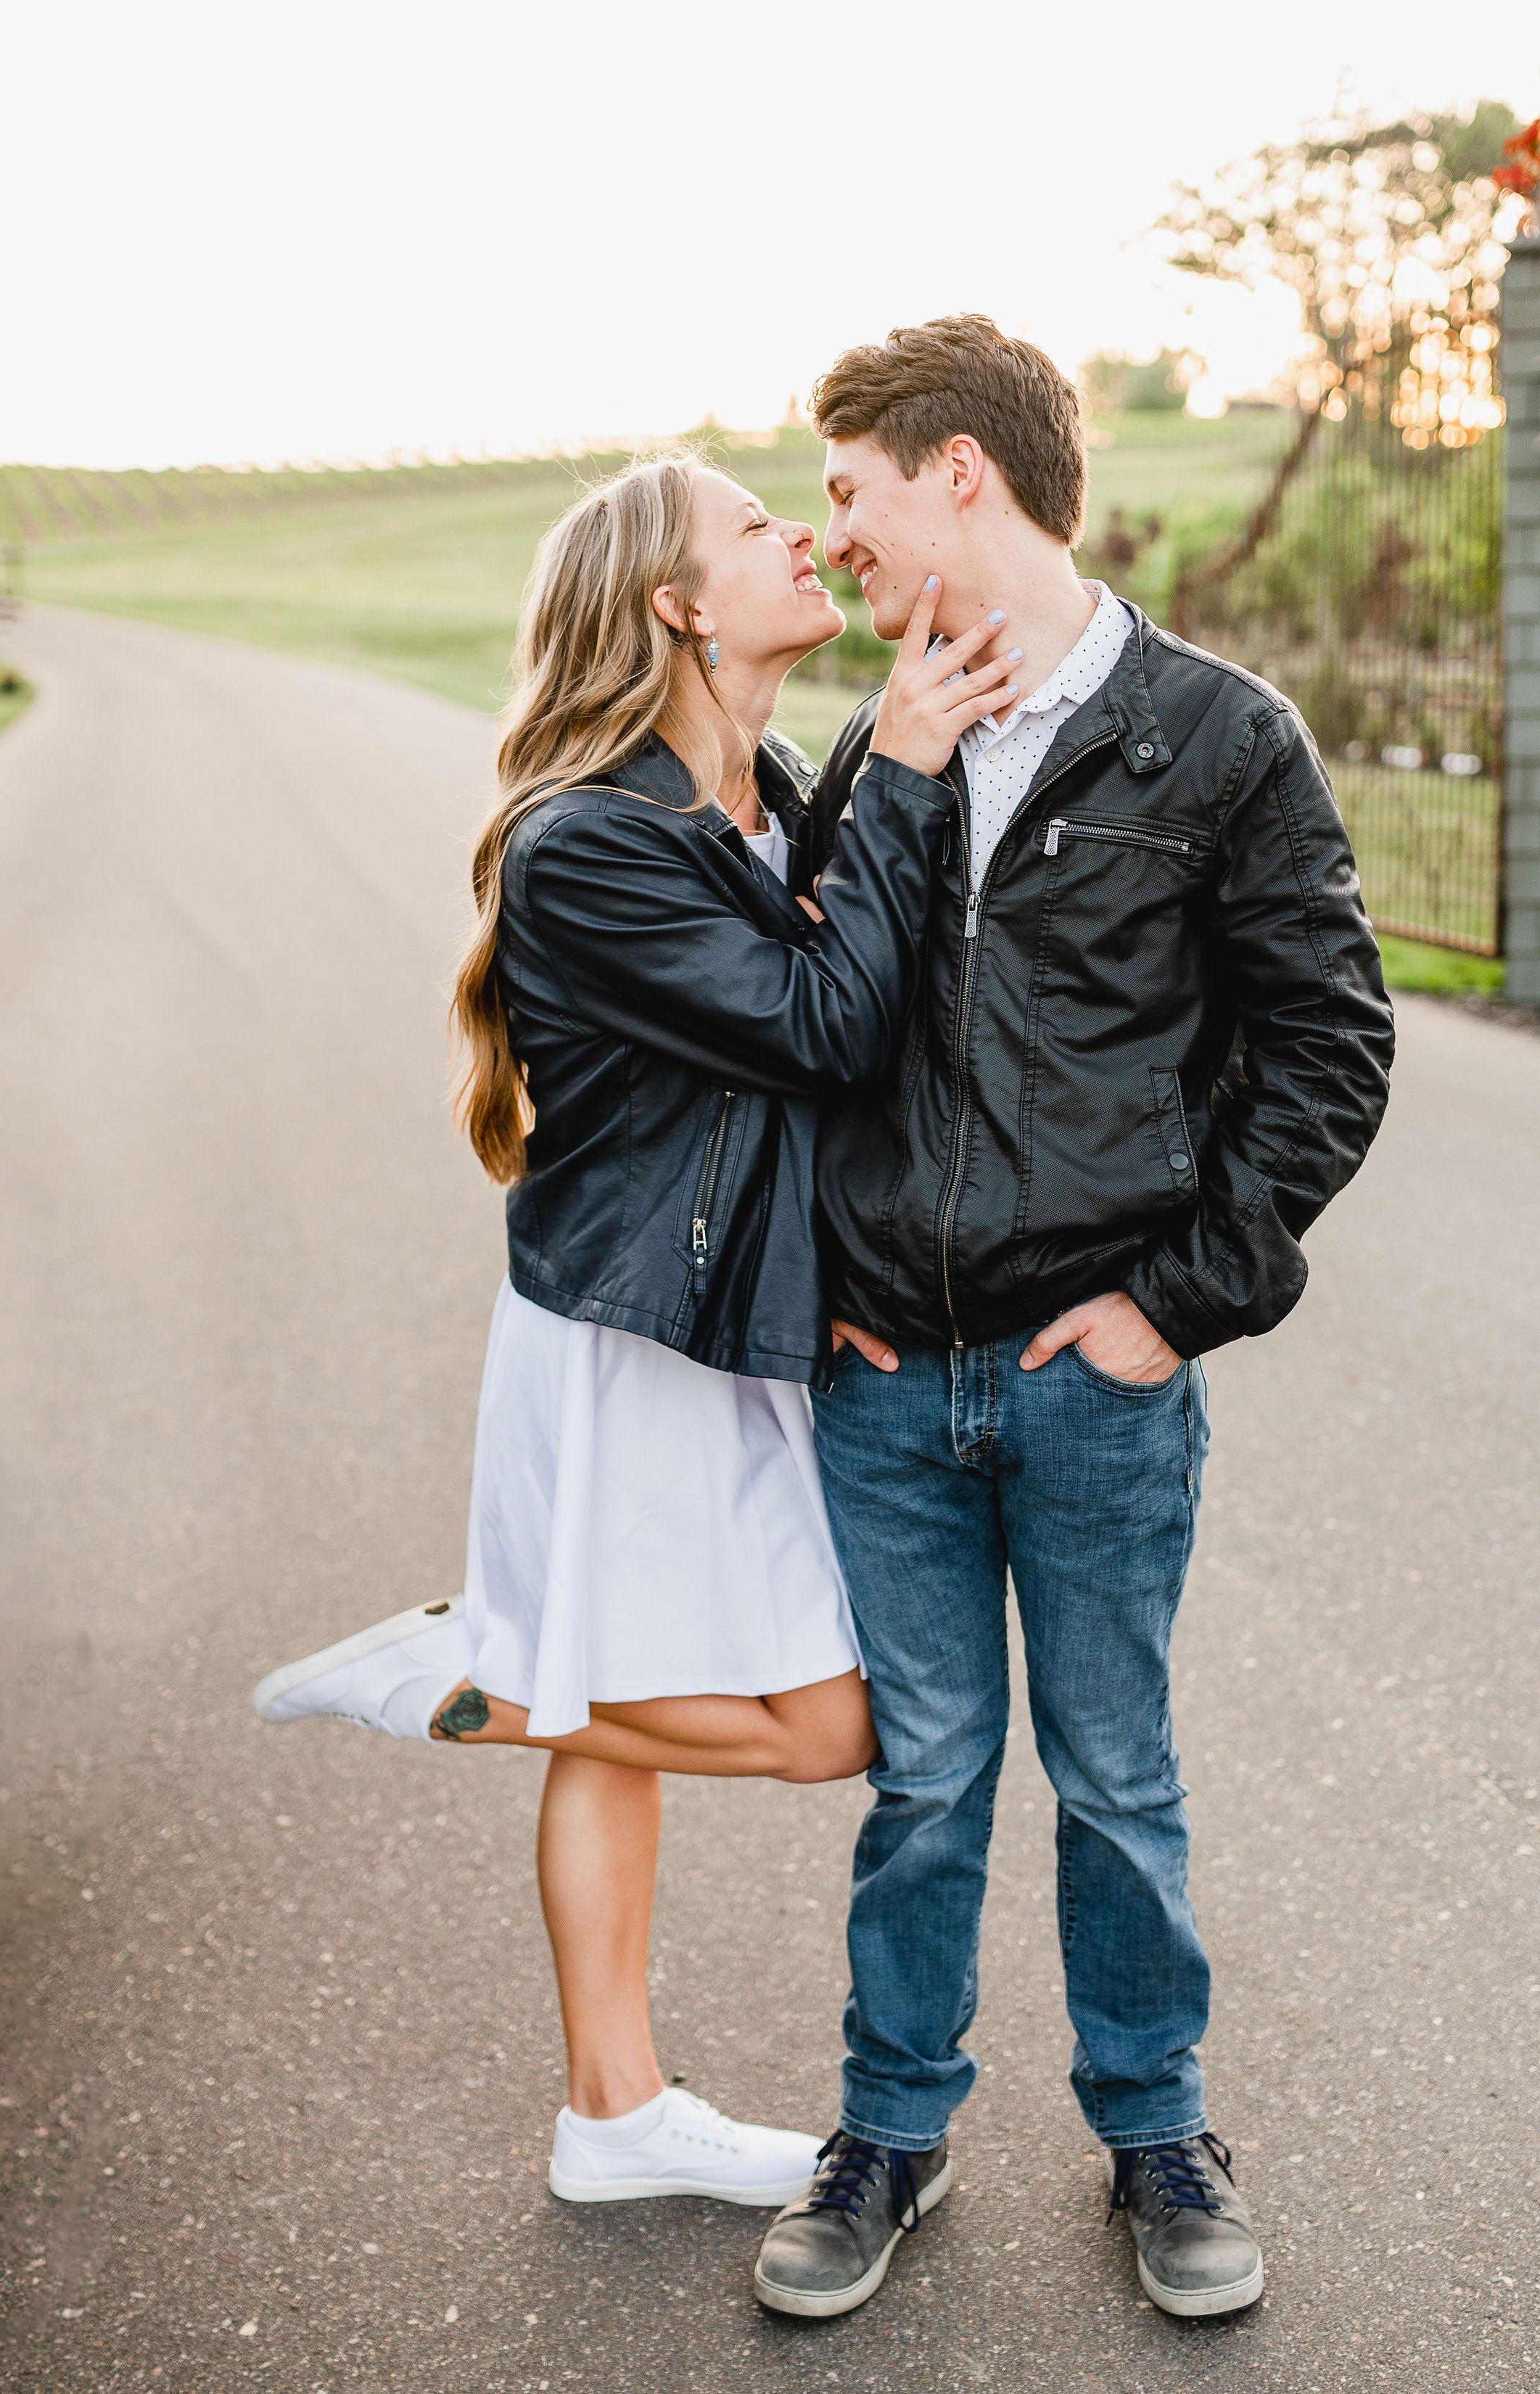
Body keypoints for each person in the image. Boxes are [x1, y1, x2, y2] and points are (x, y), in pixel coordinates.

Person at [248, 453, 1023, 2210]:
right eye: (757, 526)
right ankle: (481, 1681)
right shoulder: (584, 841)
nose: (800, 536)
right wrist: (901, 767)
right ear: (676, 606)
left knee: (628, 1713)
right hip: (635, 1336)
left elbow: (865, 998)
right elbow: (828, 1028)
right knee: (834, 1728)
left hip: (731, 1317)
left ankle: (613, 2114)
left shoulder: (762, 789)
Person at [746, 318, 1396, 2321]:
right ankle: (888, 2129)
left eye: (849, 490)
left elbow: (1329, 1050)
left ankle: (1157, 2127)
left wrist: (1172, 1301)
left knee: (1113, 1772)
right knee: (926, 1777)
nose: (830, 533)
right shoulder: (884, 737)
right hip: (887, 1386)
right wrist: (834, 1291)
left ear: (959, 476)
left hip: (1089, 1379)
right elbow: (826, 1031)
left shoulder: (1216, 737)